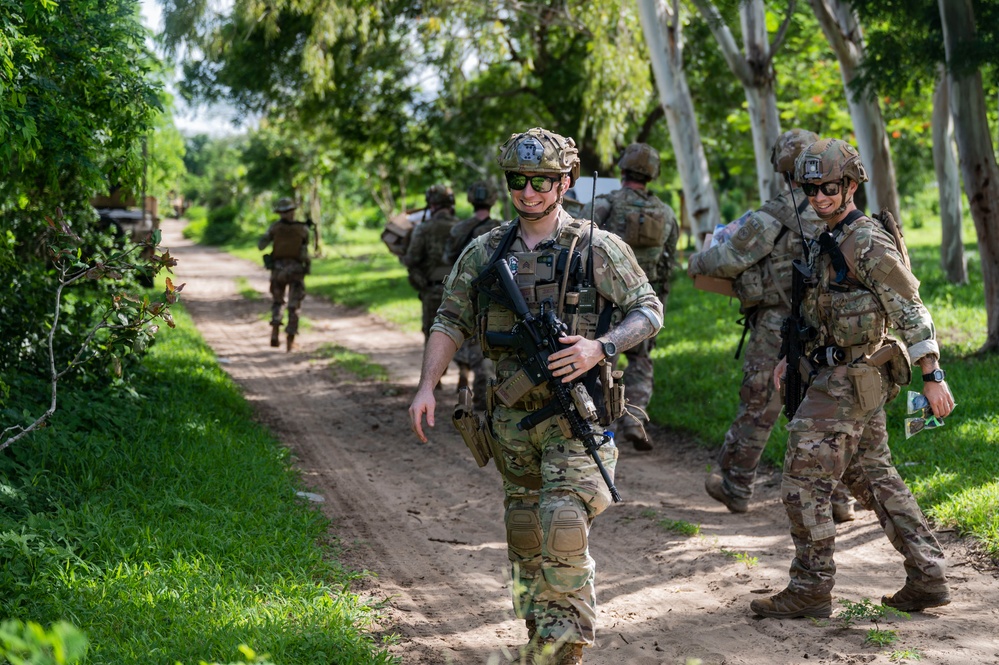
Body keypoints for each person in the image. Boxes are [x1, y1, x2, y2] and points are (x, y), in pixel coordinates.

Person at [408, 127, 663, 664]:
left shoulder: (596, 246)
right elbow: (449, 318)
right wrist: (427, 385)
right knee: (524, 538)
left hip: (578, 416)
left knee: (563, 525)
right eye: (519, 180)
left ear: (565, 183)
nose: (528, 192)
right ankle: (541, 638)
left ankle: (562, 650)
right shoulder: (485, 250)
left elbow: (648, 309)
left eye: (542, 181)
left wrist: (601, 345)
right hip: (512, 423)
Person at [751, 138, 956, 619]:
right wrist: (790, 356)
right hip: (840, 375)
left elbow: (910, 309)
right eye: (810, 188)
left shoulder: (864, 240)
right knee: (873, 476)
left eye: (828, 187)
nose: (818, 197)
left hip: (848, 380)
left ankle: (811, 587)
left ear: (850, 185)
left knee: (803, 480)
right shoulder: (828, 236)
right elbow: (815, 310)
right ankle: (929, 575)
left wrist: (933, 375)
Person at [687, 129, 857, 521]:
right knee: (831, 409)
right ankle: (839, 499)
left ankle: (737, 484)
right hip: (832, 325)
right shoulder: (839, 209)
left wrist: (696, 262)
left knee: (761, 401)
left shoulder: (775, 214)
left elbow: (728, 259)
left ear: (783, 169)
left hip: (779, 325)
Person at [581, 143, 680, 450]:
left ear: (622, 168)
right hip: (643, 301)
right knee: (640, 361)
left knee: (601, 358)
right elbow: (669, 261)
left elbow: (576, 241)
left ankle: (598, 423)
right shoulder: (665, 213)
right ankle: (634, 419)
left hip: (603, 301)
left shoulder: (605, 204)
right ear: (652, 173)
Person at [443, 180, 502, 411]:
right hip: (494, 296)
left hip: (466, 293)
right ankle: (482, 395)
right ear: (493, 199)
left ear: (470, 199)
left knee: (464, 336)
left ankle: (465, 380)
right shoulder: (501, 228)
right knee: (487, 345)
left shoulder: (459, 228)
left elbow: (449, 259)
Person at [403, 185, 460, 342]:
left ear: (432, 205)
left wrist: (402, 253)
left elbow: (412, 259)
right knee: (462, 340)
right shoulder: (462, 228)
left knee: (434, 342)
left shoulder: (423, 229)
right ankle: (464, 367)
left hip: (434, 291)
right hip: (461, 292)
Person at [258, 197, 311, 351]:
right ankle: (290, 340)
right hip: (296, 269)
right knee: (294, 305)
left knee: (277, 301)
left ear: (280, 212)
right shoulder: (302, 229)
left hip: (278, 269)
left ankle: (275, 331)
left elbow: (261, 245)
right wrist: (307, 266)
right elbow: (305, 251)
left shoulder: (274, 227)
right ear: (293, 211)